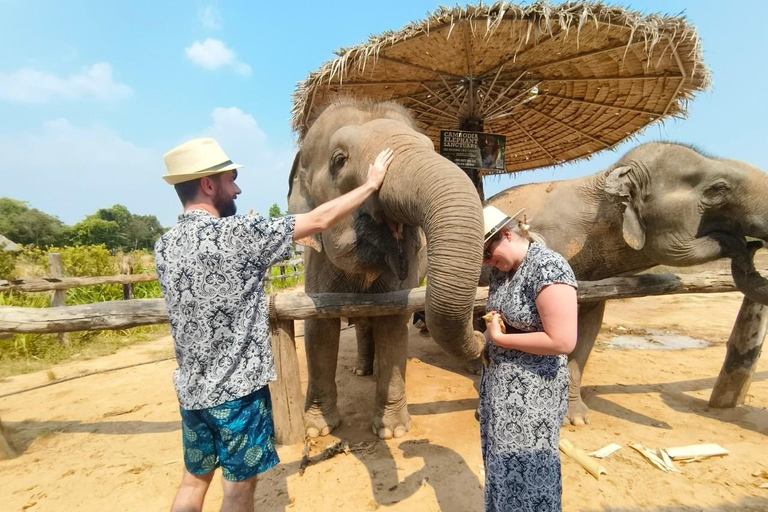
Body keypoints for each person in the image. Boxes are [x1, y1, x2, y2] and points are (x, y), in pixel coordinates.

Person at [154, 137, 394, 512]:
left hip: (192, 392)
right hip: (236, 394)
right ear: (207, 184)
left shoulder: (165, 245)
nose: (237, 188)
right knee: (238, 490)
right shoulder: (236, 235)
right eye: (231, 179)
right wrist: (370, 184)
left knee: (193, 479)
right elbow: (317, 220)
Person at [478, 205, 578, 512]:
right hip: (500, 394)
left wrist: (500, 338)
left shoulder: (549, 267)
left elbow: (562, 340)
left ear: (506, 234)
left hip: (534, 397)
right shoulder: (501, 272)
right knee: (502, 470)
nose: (486, 261)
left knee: (531, 473)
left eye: (486, 252)